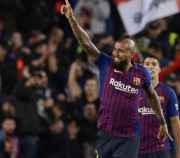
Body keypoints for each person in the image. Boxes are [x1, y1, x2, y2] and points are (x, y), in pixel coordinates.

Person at [61, 1, 171, 158]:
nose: (116, 54)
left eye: (121, 51)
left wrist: (162, 121)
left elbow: (152, 95)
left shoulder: (141, 73)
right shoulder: (105, 63)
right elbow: (86, 43)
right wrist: (72, 19)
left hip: (129, 138)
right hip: (105, 134)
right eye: (115, 50)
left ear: (131, 55)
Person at [139, 56, 180, 158]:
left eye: (154, 64)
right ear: (142, 68)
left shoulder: (168, 92)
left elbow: (175, 123)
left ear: (159, 69)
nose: (150, 67)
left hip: (160, 150)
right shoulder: (134, 91)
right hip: (137, 150)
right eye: (147, 64)